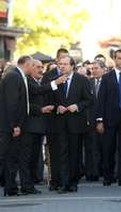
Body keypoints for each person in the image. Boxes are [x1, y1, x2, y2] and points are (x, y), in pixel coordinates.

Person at [0, 55, 65, 196]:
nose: (37, 68)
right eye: (34, 65)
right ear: (28, 64)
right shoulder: (13, 76)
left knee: (20, 157)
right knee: (12, 157)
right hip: (14, 126)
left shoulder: (19, 76)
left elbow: (28, 98)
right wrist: (15, 125)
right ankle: (12, 187)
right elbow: (12, 104)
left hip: (20, 125)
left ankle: (21, 187)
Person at [52, 55, 93, 193]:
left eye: (65, 64)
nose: (62, 66)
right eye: (60, 64)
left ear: (72, 66)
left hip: (76, 122)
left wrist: (78, 106)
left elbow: (89, 100)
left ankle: (73, 182)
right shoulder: (56, 81)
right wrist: (58, 106)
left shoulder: (82, 80)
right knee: (63, 153)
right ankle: (64, 183)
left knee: (75, 154)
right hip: (61, 122)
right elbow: (51, 99)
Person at [96, 49, 121, 187]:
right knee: (109, 148)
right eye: (119, 58)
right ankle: (108, 176)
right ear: (114, 59)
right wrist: (99, 120)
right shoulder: (107, 77)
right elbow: (101, 100)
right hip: (110, 118)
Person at [42, 48, 69, 191]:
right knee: (54, 152)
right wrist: (56, 106)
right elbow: (45, 94)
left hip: (70, 120)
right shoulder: (49, 76)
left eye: (66, 60)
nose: (63, 63)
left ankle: (67, 180)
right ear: (57, 60)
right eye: (62, 60)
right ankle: (55, 180)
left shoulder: (73, 76)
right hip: (53, 120)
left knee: (67, 151)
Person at [85, 60, 106, 181]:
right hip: (91, 120)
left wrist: (101, 120)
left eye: (96, 68)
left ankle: (105, 170)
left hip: (106, 120)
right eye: (92, 68)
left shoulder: (108, 82)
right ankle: (93, 172)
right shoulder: (88, 83)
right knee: (93, 147)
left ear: (103, 69)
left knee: (105, 146)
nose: (94, 70)